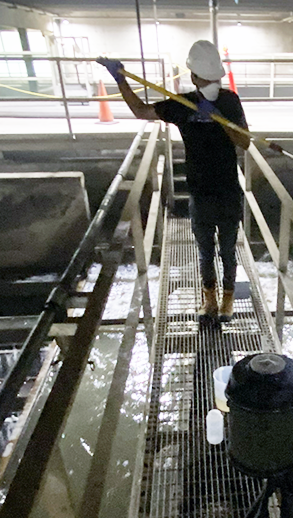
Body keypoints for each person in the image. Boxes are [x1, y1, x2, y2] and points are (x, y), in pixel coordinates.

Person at [96, 41, 249, 322]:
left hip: (229, 192)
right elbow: (141, 111)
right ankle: (209, 299)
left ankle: (228, 299)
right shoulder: (181, 105)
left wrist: (220, 119)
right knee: (205, 251)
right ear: (194, 78)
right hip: (200, 192)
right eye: (207, 79)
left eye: (214, 79)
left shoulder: (229, 101)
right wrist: (120, 79)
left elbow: (245, 142)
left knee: (228, 250)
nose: (211, 83)